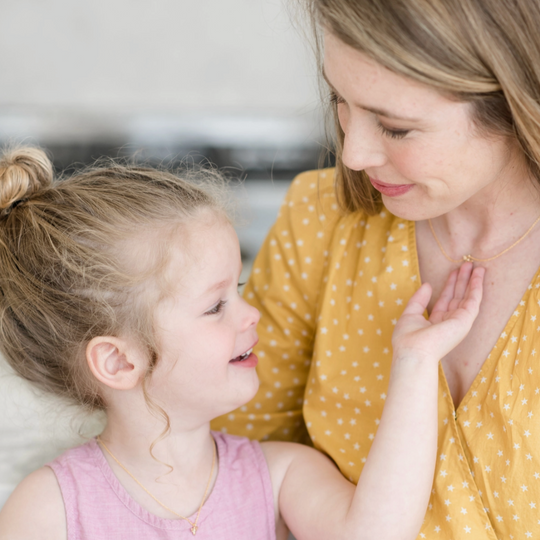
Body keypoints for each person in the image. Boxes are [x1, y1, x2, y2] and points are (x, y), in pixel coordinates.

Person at [0, 146, 483, 540]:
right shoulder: (47, 511)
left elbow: (376, 533)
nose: (251, 314)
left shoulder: (278, 475)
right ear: (118, 361)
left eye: (240, 290)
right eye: (215, 307)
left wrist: (416, 362)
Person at [211, 0, 540, 537]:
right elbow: (227, 473)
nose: (354, 154)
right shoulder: (319, 223)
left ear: (516, 99)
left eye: (396, 128)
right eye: (341, 99)